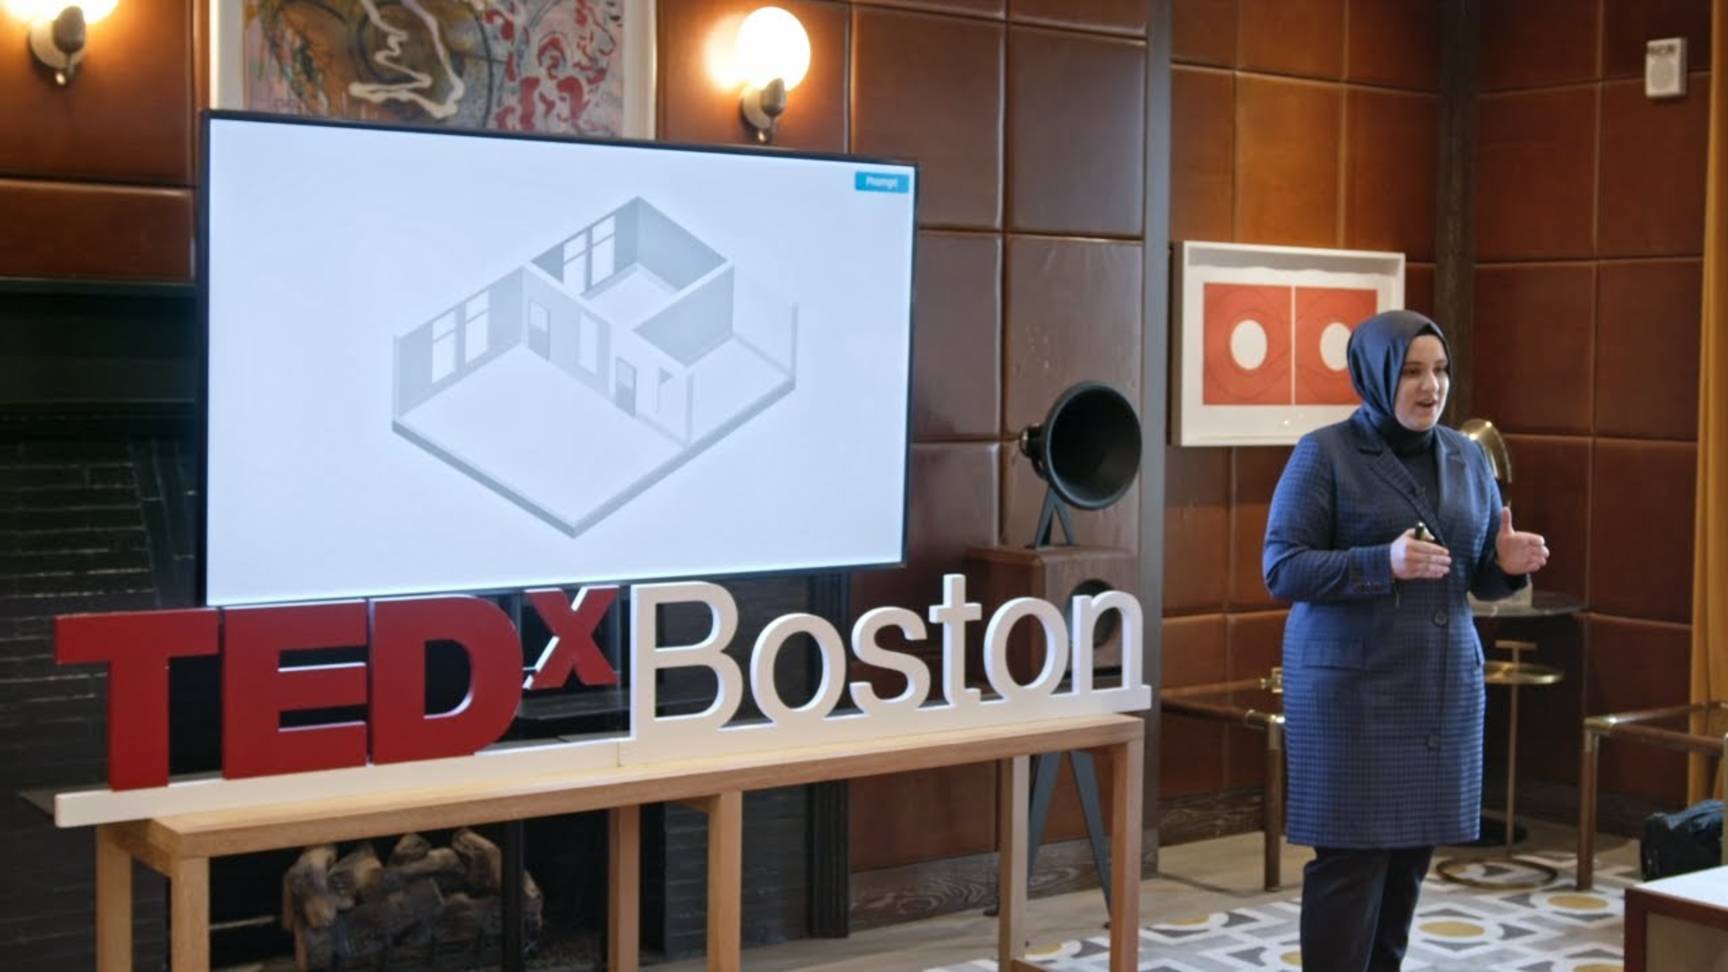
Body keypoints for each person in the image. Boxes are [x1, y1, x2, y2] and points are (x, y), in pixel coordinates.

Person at [1262, 310, 1550, 971]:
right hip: (1354, 699)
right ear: (1376, 375)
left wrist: (1504, 566)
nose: (1431, 386)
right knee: (1352, 865)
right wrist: (1380, 563)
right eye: (1413, 371)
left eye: (1441, 370)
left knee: (1409, 864)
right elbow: (1282, 568)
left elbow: (1469, 574)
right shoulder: (1325, 453)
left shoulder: (1467, 456)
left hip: (1437, 692)